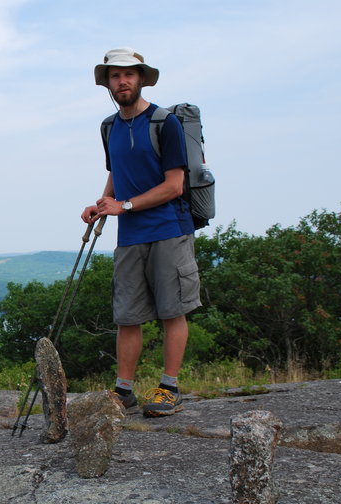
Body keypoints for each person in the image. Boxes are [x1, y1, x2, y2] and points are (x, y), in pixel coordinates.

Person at [81, 48, 201, 417]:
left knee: (172, 310)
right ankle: (124, 391)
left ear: (141, 78)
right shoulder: (108, 127)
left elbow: (175, 185)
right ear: (108, 83)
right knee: (127, 316)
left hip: (169, 229)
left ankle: (169, 388)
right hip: (130, 235)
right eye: (115, 76)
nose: (122, 81)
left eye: (129, 74)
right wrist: (102, 203)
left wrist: (125, 206)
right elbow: (117, 171)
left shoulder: (165, 123)